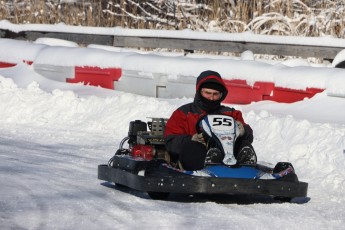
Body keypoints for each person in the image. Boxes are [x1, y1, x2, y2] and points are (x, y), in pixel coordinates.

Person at [164, 70, 256, 171]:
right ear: (200, 91)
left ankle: (246, 170)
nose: (211, 98)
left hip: (229, 156)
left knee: (243, 145)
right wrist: (191, 139)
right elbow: (170, 141)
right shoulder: (184, 113)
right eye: (208, 93)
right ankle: (212, 159)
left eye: (215, 94)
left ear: (221, 95)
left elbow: (248, 137)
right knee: (193, 148)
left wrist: (244, 131)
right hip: (195, 160)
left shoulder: (231, 114)